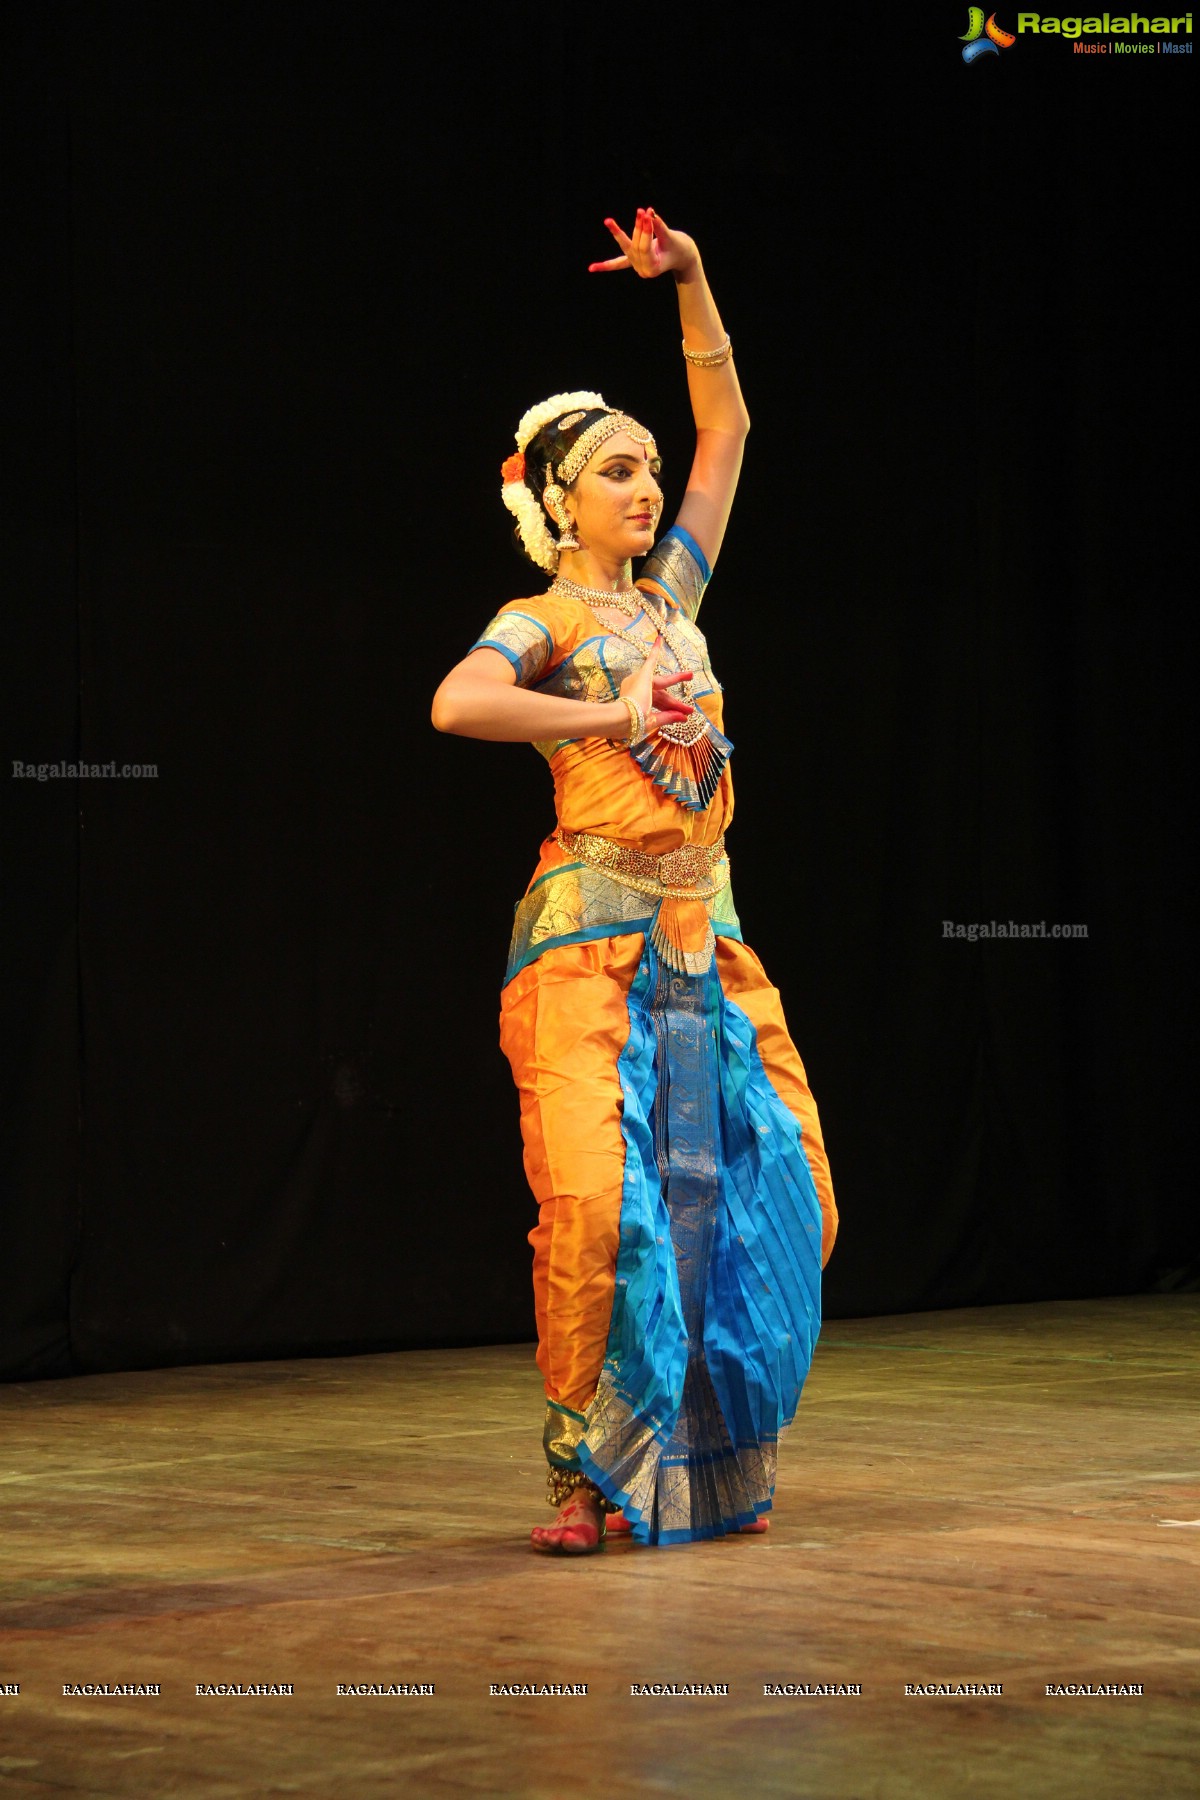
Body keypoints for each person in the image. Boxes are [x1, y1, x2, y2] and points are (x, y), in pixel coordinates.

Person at [432, 208, 838, 1553]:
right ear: (558, 500)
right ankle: (581, 1476)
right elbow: (458, 704)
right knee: (600, 1210)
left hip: (704, 945)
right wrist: (603, 721)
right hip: (586, 948)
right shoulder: (542, 621)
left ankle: (715, 1456)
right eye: (617, 471)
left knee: (777, 1194)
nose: (648, 487)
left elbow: (727, 430)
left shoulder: (674, 601)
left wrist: (699, 279)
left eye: (648, 469)